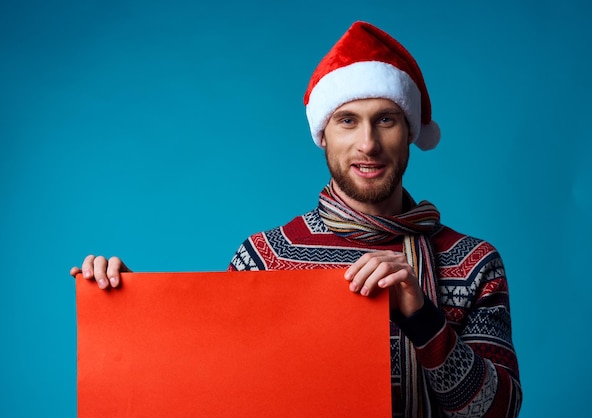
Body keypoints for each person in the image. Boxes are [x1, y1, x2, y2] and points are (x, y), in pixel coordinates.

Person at [72, 21, 522, 417]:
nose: (368, 144)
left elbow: (496, 412)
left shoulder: (474, 261)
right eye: (347, 121)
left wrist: (421, 314)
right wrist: (131, 311)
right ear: (323, 136)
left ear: (408, 133)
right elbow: (216, 391)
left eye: (385, 120)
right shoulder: (266, 257)